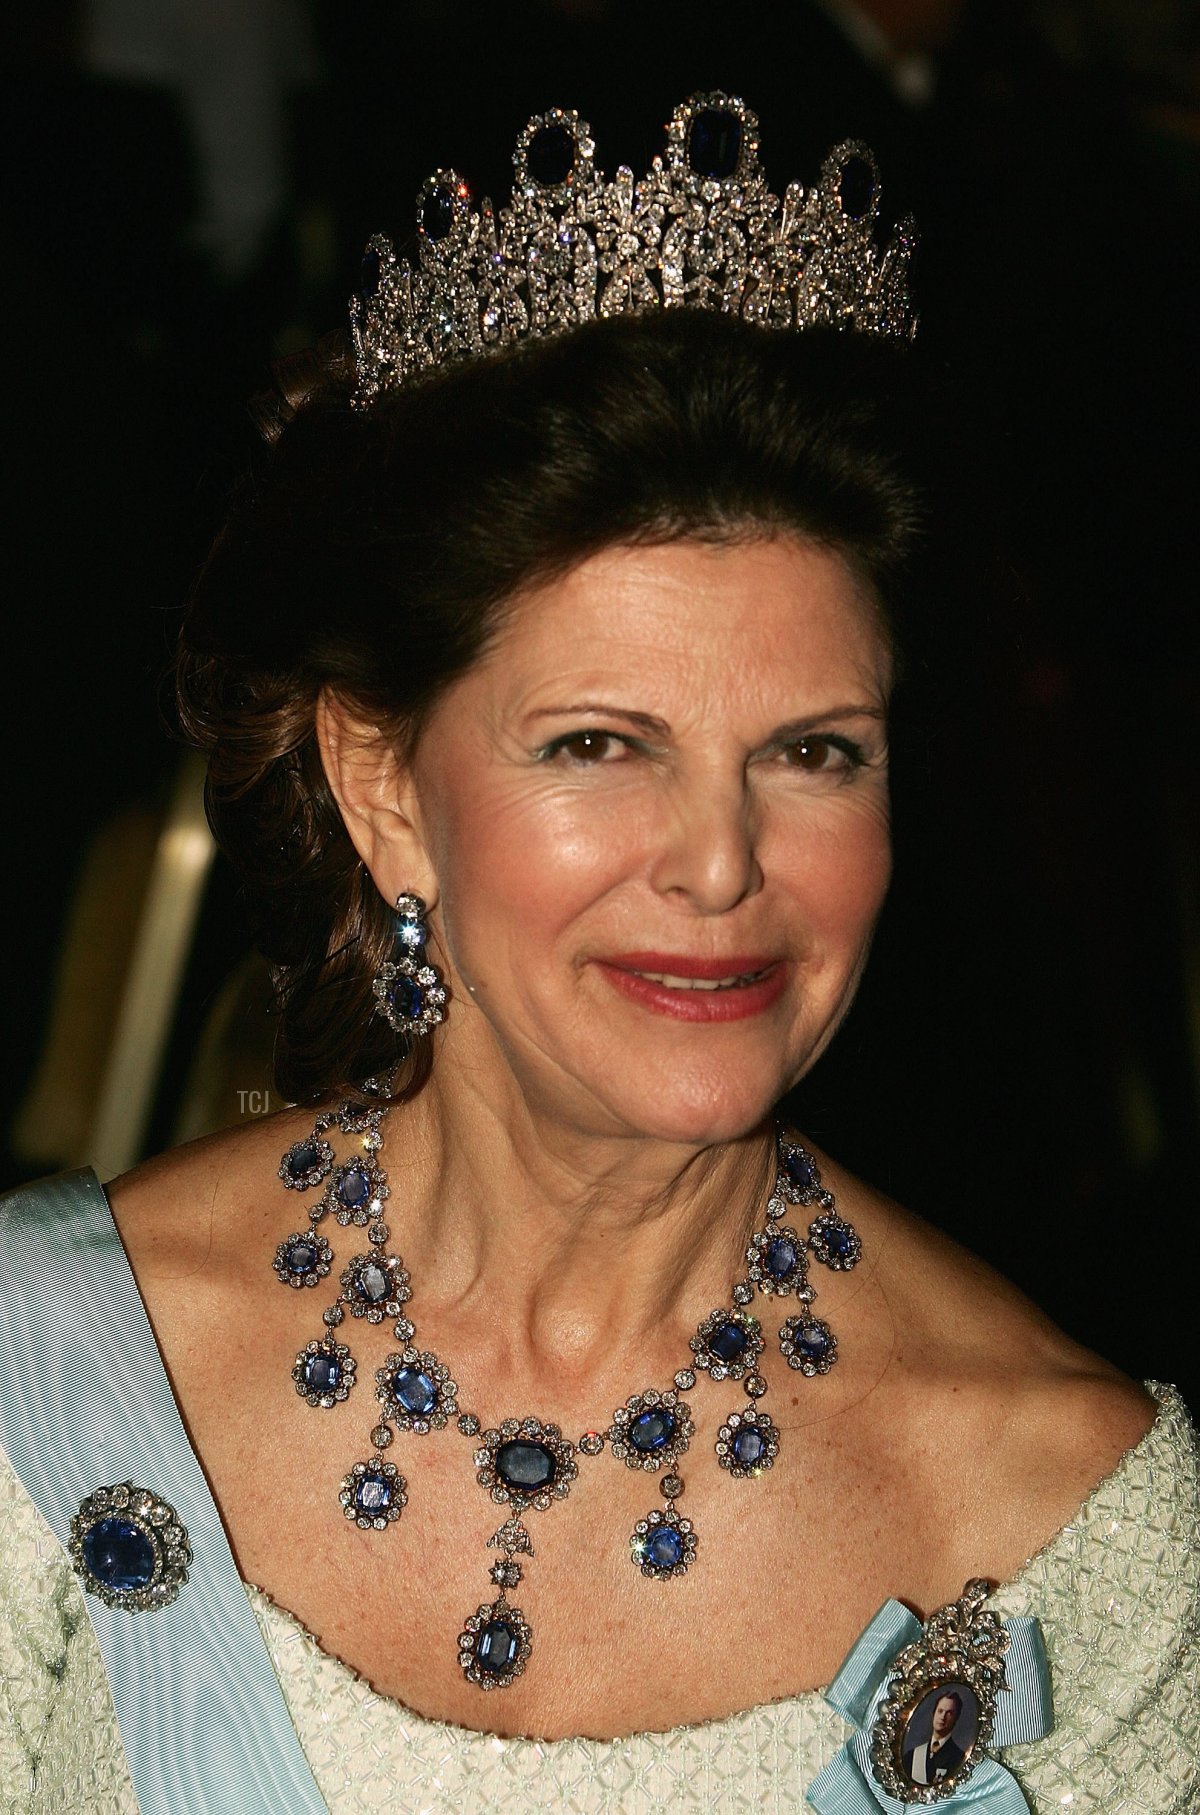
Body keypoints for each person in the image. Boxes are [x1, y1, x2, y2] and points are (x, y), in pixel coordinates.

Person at [1, 94, 1197, 1815]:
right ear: (384, 784)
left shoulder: (1077, 1525)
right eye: (597, 745)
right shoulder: (46, 1369)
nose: (722, 864)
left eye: (814, 751)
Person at [903, 1689, 969, 1784]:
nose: (943, 1717)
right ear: (934, 1713)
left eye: (949, 1713)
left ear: (956, 1719)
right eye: (940, 1711)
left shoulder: (958, 1758)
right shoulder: (912, 1756)